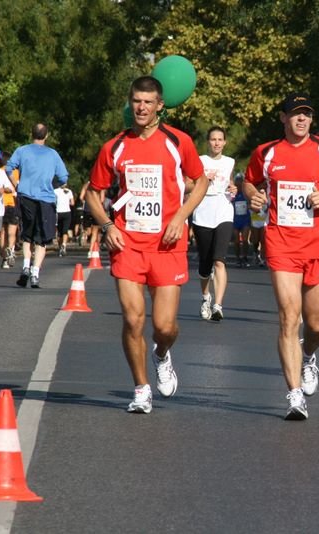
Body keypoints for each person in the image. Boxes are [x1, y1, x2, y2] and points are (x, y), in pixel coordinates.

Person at [86, 75, 209, 414]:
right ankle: (141, 389)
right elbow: (92, 194)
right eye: (136, 101)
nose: (141, 107)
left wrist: (180, 217)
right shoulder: (115, 146)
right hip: (128, 244)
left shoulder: (177, 141)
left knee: (164, 327)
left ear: (159, 106)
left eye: (147, 102)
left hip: (168, 245)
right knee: (133, 320)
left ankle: (161, 354)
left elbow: (200, 182)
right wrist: (108, 224)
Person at [244, 92, 319, 420]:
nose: (302, 119)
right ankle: (294, 395)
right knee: (288, 318)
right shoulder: (266, 153)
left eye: (306, 113)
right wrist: (254, 197)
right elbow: (249, 183)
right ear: (283, 117)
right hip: (281, 244)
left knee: (316, 323)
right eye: (295, 114)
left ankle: (309, 355)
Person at [6, 123, 68, 289]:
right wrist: (50, 184)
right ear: (46, 136)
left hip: (26, 195)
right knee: (42, 238)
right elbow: (63, 177)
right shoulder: (53, 154)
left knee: (27, 234)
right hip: (46, 199)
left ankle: (26, 265)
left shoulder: (22, 150)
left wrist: (16, 184)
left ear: (30, 134)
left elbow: (9, 168)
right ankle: (35, 273)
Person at [192, 126, 236, 322]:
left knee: (220, 260)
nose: (217, 143)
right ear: (208, 142)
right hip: (202, 211)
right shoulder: (199, 161)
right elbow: (187, 184)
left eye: (220, 139)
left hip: (224, 210)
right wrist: (202, 180)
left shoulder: (230, 162)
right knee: (205, 263)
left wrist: (233, 188)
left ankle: (218, 305)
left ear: (225, 142)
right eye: (213, 139)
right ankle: (205, 297)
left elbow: (231, 183)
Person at [231, 173, 252, 267]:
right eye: (237, 184)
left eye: (240, 184)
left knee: (244, 240)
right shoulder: (232, 195)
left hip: (245, 219)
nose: (238, 186)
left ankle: (245, 257)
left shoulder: (246, 194)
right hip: (235, 220)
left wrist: (249, 204)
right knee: (236, 241)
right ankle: (237, 258)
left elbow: (252, 202)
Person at [54, 183, 74, 256]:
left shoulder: (55, 191)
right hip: (67, 212)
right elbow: (72, 203)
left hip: (58, 212)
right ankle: (64, 245)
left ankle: (60, 248)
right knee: (65, 230)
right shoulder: (69, 191)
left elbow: (53, 201)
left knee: (59, 232)